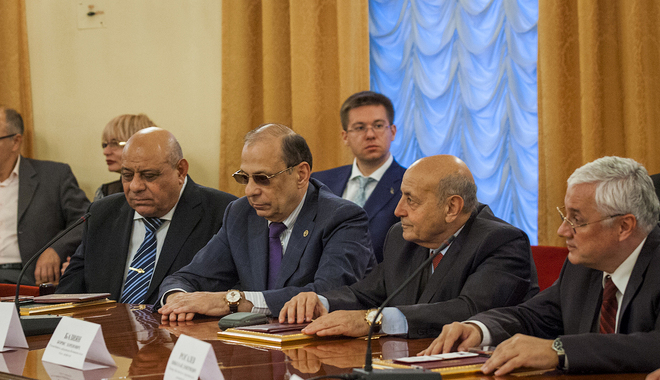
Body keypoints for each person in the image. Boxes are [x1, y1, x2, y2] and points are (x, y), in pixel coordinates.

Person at [422, 156, 660, 375]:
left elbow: (653, 344)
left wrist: (559, 350)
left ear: (624, 227)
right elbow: (534, 316)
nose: (562, 231)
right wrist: (478, 329)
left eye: (577, 220)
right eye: (565, 216)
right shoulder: (583, 266)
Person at [279, 155, 538, 338]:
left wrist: (375, 320)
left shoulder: (502, 241)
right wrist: (321, 301)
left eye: (411, 200)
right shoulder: (402, 238)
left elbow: (469, 310)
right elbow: (367, 294)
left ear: (452, 207)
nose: (398, 210)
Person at [157, 123, 376, 321]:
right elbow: (190, 277)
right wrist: (178, 300)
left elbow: (327, 294)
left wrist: (233, 302)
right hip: (255, 343)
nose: (250, 191)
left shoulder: (342, 217)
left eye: (263, 179)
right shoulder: (241, 213)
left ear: (301, 174)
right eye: (244, 178)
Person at [57, 127, 236, 304]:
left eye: (149, 176)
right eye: (127, 175)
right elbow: (67, 293)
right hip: (107, 322)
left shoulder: (223, 213)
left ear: (180, 171)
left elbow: (238, 290)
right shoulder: (102, 213)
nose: (135, 186)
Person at [0, 106, 89, 285]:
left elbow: (85, 219)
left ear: (16, 141)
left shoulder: (54, 176)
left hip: (26, 276)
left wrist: (55, 249)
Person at [312, 91, 405, 262]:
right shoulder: (320, 182)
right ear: (345, 137)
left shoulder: (408, 185)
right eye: (360, 128)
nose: (370, 135)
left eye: (378, 125)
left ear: (392, 131)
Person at [95, 113, 156, 201]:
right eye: (105, 145)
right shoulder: (106, 192)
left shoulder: (162, 191)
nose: (105, 152)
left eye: (115, 144)